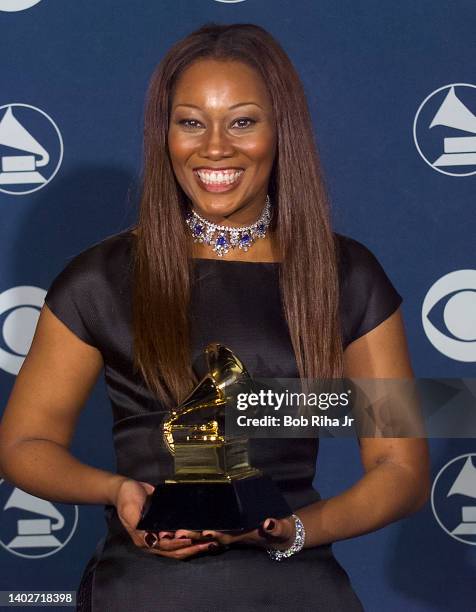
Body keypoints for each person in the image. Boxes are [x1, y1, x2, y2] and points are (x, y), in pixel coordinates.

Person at [0, 22, 430, 612]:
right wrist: (119, 491)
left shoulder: (347, 274)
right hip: (146, 588)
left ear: (282, 131)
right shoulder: (99, 278)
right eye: (191, 122)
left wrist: (294, 530)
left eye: (244, 120)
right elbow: (25, 441)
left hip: (296, 586)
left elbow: (399, 467)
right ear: (166, 134)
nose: (215, 147)